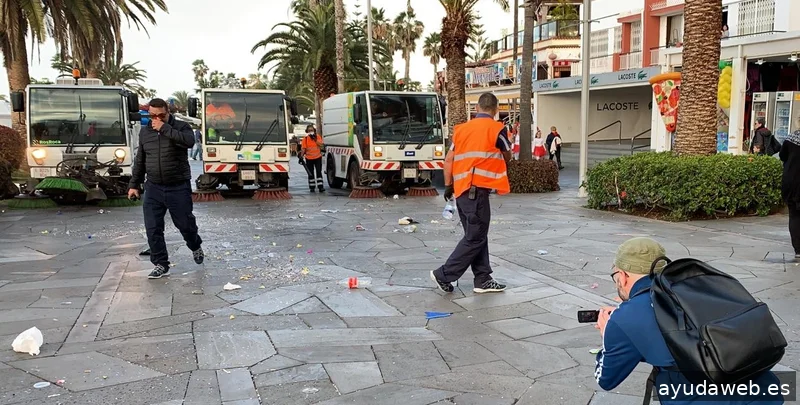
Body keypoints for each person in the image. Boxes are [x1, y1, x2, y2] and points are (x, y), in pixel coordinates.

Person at [595, 237, 783, 404]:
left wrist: (608, 334)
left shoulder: (627, 317)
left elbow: (606, 379)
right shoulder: (696, 285)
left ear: (623, 276)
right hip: (764, 390)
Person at [430, 92, 511, 294]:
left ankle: (482, 278)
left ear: (477, 109)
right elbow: (507, 153)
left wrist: (449, 185)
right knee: (475, 237)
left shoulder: (461, 130)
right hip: (477, 192)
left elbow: (449, 160)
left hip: (462, 191)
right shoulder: (497, 129)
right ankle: (444, 274)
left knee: (476, 235)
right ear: (495, 110)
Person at [127, 98, 204, 279]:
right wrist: (133, 184)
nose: (156, 119)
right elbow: (141, 160)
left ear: (167, 113)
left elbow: (189, 142)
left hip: (178, 186)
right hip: (153, 186)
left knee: (185, 224)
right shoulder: (145, 133)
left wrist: (165, 129)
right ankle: (161, 263)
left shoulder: (181, 127)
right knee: (152, 228)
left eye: (160, 115)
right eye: (153, 116)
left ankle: (195, 245)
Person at [780, 127, 800, 260]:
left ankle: (798, 249)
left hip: (790, 181)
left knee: (794, 215)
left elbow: (782, 156)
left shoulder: (792, 138)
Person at [300, 124, 324, 192]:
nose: (311, 131)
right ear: (307, 131)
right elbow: (303, 149)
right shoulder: (305, 139)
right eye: (309, 130)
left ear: (314, 130)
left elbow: (321, 145)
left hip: (317, 157)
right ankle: (312, 187)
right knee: (310, 173)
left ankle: (320, 187)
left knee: (318, 172)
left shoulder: (317, 137)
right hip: (309, 158)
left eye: (312, 130)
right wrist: (301, 156)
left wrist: (315, 139)